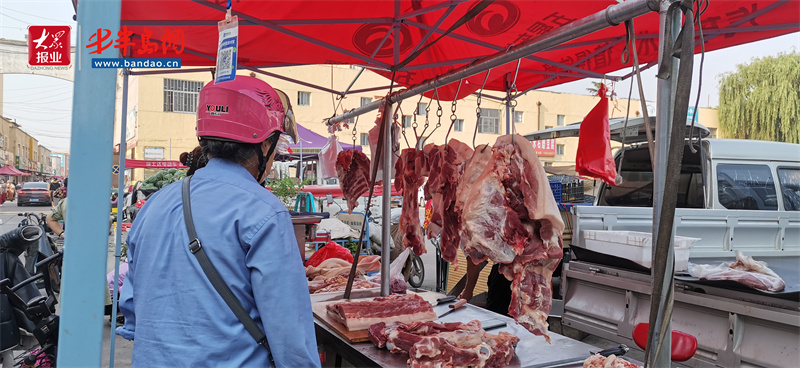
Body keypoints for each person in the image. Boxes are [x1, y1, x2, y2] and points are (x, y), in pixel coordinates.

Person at [117, 76, 318, 367]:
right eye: (276, 146)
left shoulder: (157, 203)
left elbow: (131, 304)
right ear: (264, 146)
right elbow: (290, 330)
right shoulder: (263, 211)